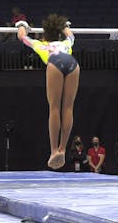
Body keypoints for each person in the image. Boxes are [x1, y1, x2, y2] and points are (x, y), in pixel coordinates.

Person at [16, 14, 80, 169]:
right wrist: (65, 26)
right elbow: (71, 35)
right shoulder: (66, 43)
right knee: (68, 107)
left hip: (55, 62)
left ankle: (53, 151)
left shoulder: (41, 45)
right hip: (72, 63)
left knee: (54, 108)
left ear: (46, 35)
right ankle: (63, 148)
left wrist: (22, 25)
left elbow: (22, 37)